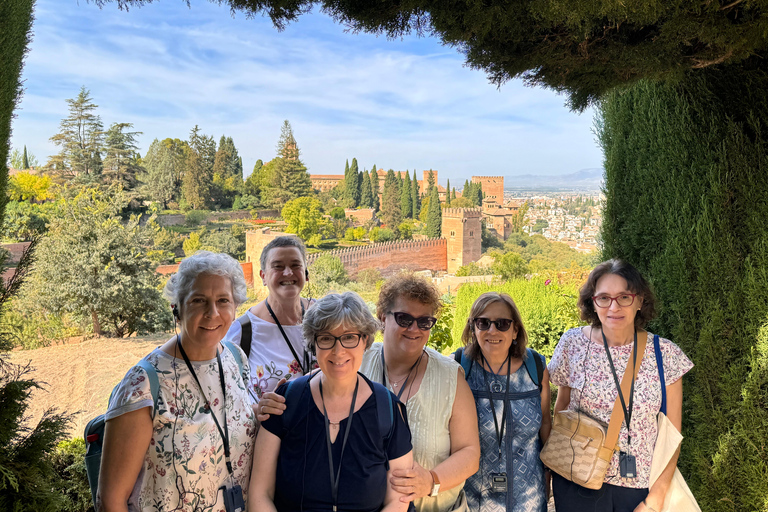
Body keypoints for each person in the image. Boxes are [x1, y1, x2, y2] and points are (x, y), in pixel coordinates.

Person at [257, 274, 480, 512]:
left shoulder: (448, 376)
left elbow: (468, 452)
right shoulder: (357, 357)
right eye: (404, 318)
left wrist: (432, 481)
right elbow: (330, 371)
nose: (414, 328)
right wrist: (283, 396)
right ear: (383, 318)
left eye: (424, 321)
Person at [98, 251, 256, 512]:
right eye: (199, 300)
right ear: (177, 308)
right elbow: (111, 501)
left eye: (223, 300)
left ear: (235, 306)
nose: (212, 313)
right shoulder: (144, 385)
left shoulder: (236, 359)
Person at [548, 259, 694, 512]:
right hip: (577, 480)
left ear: (640, 301)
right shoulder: (573, 343)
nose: (613, 307)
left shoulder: (665, 354)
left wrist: (656, 498)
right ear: (592, 302)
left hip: (639, 487)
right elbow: (561, 410)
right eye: (604, 297)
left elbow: (673, 435)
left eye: (624, 297)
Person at [249, 292, 414, 512]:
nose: (338, 351)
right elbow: (260, 494)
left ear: (365, 340)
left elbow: (398, 500)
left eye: (349, 337)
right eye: (326, 338)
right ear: (313, 343)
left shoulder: (388, 409)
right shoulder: (285, 402)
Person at [457, 292, 552, 512]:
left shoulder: (535, 367)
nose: (492, 331)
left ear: (515, 330)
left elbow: (545, 423)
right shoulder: (460, 370)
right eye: (483, 323)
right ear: (473, 328)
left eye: (502, 324)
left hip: (529, 497)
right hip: (474, 498)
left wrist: (549, 473)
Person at [224, 236, 315, 401]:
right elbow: (229, 397)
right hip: (272, 426)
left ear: (306, 273)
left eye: (296, 265)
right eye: (278, 266)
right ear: (263, 276)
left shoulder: (326, 316)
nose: (288, 272)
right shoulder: (243, 331)